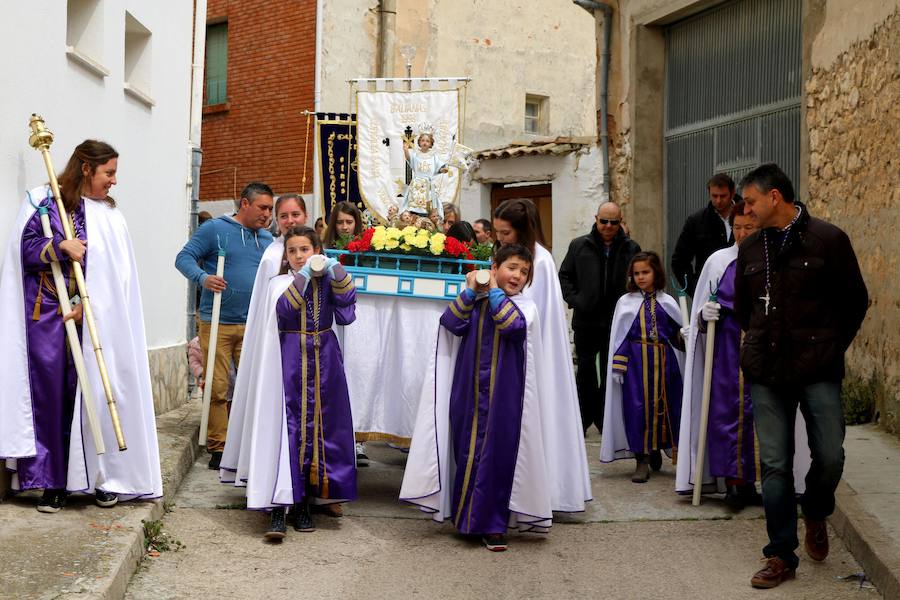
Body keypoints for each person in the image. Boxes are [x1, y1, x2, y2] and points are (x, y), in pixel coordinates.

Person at [0, 139, 162, 512]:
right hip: (47, 320)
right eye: (109, 173)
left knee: (101, 398)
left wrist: (85, 307)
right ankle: (53, 482)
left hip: (92, 321)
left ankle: (104, 478)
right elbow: (22, 250)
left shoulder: (109, 216)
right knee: (53, 399)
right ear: (86, 169)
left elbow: (114, 279)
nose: (114, 181)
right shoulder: (43, 201)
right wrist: (60, 247)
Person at [735, 164, 868, 589]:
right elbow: (743, 308)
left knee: (830, 455)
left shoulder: (828, 239)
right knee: (774, 464)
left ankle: (815, 508)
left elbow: (855, 301)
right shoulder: (752, 247)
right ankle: (779, 555)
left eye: (751, 201)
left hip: (818, 368)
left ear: (775, 197)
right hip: (767, 371)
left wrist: (829, 348)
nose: (746, 210)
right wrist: (755, 346)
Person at [401, 244, 556, 551]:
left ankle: (493, 525)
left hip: (504, 396)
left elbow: (511, 325)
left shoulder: (524, 306)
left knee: (496, 455)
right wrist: (471, 292)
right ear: (494, 265)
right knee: (467, 451)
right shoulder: (476, 301)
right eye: (511, 267)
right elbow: (451, 322)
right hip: (468, 392)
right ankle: (466, 518)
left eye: (524, 272)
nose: (518, 276)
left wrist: (495, 290)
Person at [222, 226, 358, 540]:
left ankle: (305, 502)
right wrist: (305, 276)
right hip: (289, 363)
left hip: (325, 361)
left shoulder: (328, 282)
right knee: (288, 431)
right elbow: (284, 310)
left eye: (305, 250)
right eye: (293, 251)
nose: (298, 256)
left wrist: (334, 267)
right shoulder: (279, 283)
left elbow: (348, 303)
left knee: (319, 431)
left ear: (316, 251)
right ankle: (278, 505)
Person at [675, 201, 812, 508]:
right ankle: (737, 483)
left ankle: (775, 482)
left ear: (760, 227)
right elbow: (700, 309)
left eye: (748, 227)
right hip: (727, 350)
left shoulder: (775, 256)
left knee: (771, 412)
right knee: (729, 413)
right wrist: (702, 315)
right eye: (736, 227)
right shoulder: (718, 261)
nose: (741, 234)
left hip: (769, 347)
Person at [492, 198, 592, 512]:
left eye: (505, 233)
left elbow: (535, 316)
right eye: (497, 232)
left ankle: (544, 494)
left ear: (521, 230)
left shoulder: (541, 262)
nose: (500, 239)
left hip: (535, 356)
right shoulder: (509, 256)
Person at [175, 182, 274, 469]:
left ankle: (247, 441)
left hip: (254, 324)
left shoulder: (267, 240)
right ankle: (219, 446)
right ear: (245, 204)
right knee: (218, 386)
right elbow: (184, 258)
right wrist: (203, 279)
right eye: (262, 207)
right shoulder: (215, 229)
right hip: (217, 320)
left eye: (270, 208)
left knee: (251, 384)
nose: (267, 214)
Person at [600, 251, 684, 483]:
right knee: (637, 409)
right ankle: (642, 459)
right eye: (636, 273)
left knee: (665, 407)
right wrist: (618, 365)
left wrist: (684, 335)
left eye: (645, 272)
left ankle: (656, 448)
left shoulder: (668, 302)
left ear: (656, 272)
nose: (640, 277)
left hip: (664, 362)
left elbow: (675, 335)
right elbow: (621, 336)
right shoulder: (625, 303)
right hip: (636, 364)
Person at [559, 201, 641, 434]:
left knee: (610, 371)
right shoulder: (579, 246)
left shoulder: (631, 248)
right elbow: (564, 276)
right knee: (585, 371)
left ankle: (606, 421)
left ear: (620, 222)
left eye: (613, 222)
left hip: (615, 322)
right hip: (586, 320)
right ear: (596, 219)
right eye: (603, 221)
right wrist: (577, 300)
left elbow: (638, 278)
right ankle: (583, 420)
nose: (608, 226)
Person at [671, 173, 736, 296]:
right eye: (714, 196)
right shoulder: (696, 221)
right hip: (709, 293)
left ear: (732, 193)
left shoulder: (747, 216)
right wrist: (696, 290)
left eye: (723, 196)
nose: (718, 201)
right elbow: (679, 261)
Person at [399, 123, 450, 221]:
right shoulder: (416, 155)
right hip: (417, 184)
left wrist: (442, 170)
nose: (425, 143)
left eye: (427, 141)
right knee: (414, 202)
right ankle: (414, 216)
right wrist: (405, 151)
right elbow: (409, 159)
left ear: (431, 143)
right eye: (422, 140)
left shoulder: (434, 156)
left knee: (429, 203)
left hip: (429, 185)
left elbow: (438, 167)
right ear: (419, 142)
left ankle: (429, 217)